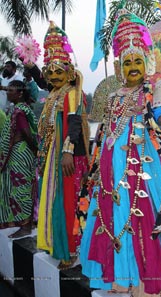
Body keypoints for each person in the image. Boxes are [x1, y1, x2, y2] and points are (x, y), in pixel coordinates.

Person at [80, 9, 161, 297]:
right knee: (112, 219)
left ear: (146, 63)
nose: (131, 66)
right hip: (109, 170)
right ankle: (120, 277)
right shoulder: (113, 95)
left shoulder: (153, 91)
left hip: (141, 167)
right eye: (126, 61)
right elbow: (104, 131)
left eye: (136, 61)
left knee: (141, 220)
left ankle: (146, 284)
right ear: (119, 66)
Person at [37, 21, 90, 269]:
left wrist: (67, 151)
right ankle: (55, 243)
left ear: (69, 72)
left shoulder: (72, 92)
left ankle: (71, 250)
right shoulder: (53, 95)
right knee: (54, 198)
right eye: (50, 72)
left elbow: (75, 123)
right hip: (54, 155)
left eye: (59, 71)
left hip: (68, 155)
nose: (54, 76)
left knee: (69, 200)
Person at [0, 80, 38, 238]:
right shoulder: (19, 109)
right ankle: (24, 223)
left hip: (21, 156)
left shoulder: (20, 111)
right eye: (7, 89)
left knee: (21, 189)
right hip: (20, 153)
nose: (8, 92)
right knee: (19, 188)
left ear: (20, 93)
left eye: (11, 90)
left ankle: (26, 225)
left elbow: (26, 133)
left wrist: (35, 150)